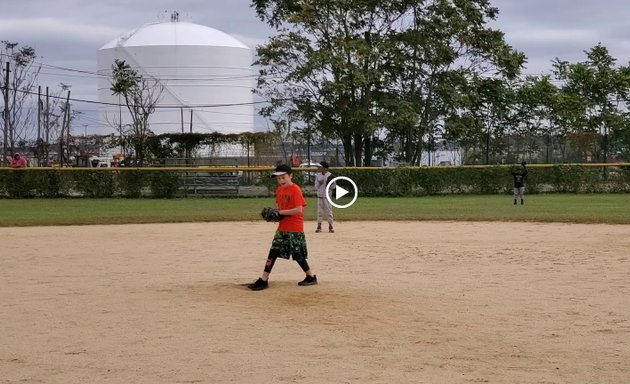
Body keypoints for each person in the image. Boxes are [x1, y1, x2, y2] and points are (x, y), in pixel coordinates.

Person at [248, 164, 317, 291]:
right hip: (282, 227)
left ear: (291, 176)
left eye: (283, 177)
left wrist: (280, 213)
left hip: (295, 227)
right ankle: (264, 279)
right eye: (278, 178)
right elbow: (282, 208)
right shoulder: (279, 190)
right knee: (273, 252)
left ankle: (310, 276)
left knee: (297, 255)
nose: (281, 180)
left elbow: (298, 209)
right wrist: (276, 214)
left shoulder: (295, 189)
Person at [314, 161, 335, 233]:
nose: (318, 168)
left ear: (325, 168)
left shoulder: (330, 175)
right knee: (319, 212)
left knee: (329, 211)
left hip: (327, 196)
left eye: (320, 167)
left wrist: (328, 184)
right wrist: (320, 183)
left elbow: (333, 186)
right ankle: (319, 226)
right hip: (320, 196)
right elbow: (316, 186)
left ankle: (330, 226)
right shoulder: (318, 175)